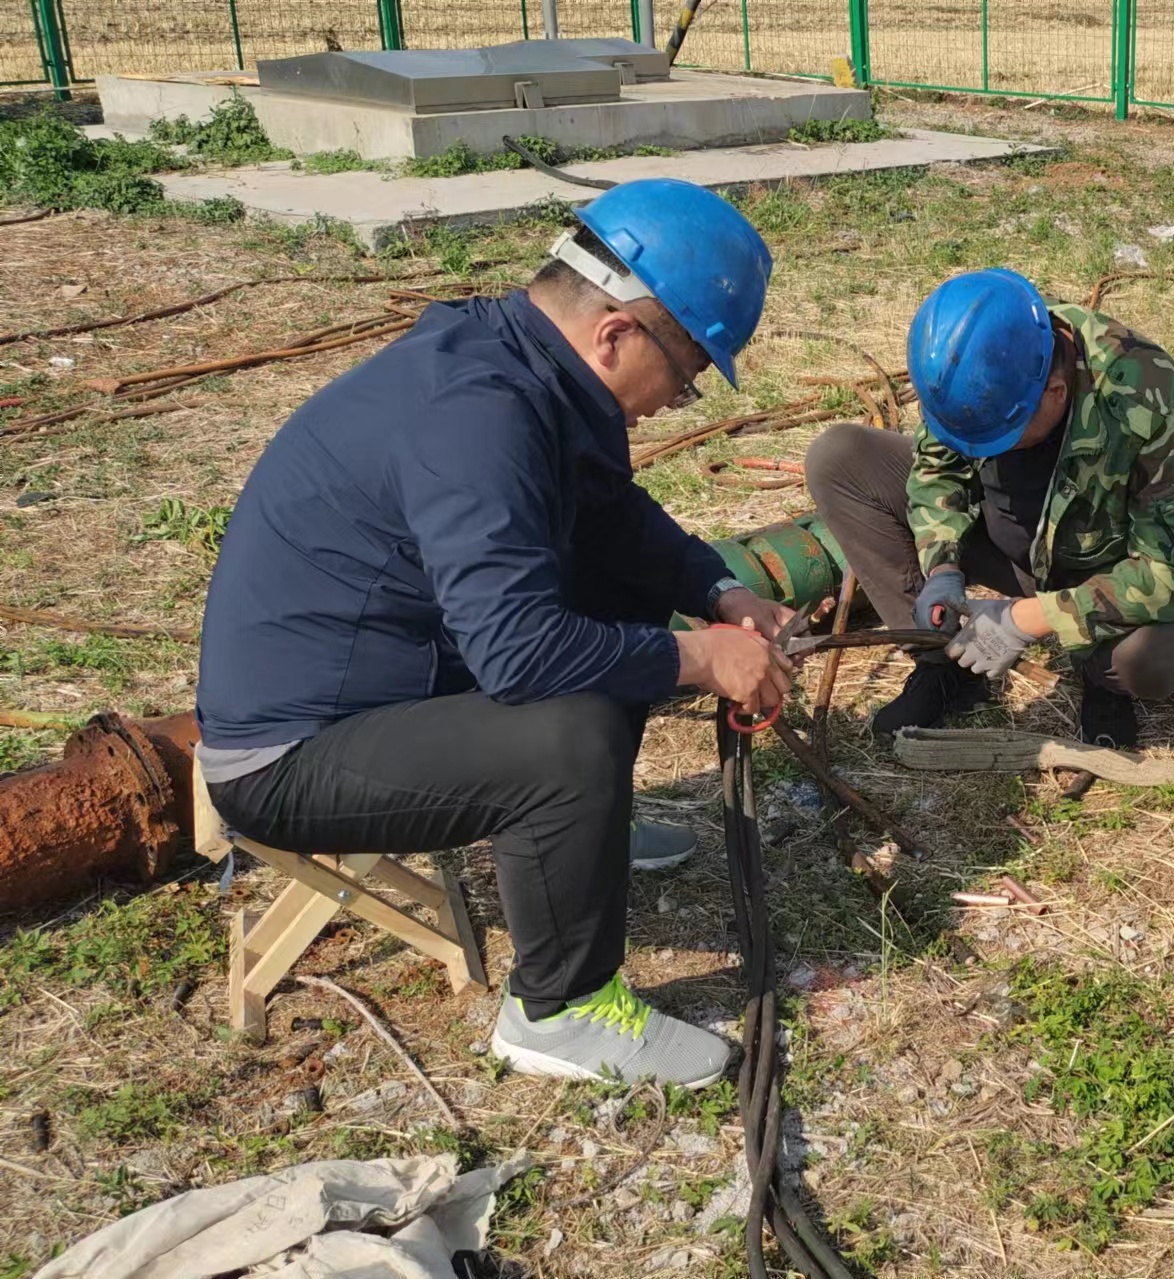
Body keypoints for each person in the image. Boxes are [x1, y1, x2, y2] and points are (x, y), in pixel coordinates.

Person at [195, 179, 795, 1088]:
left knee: (613, 592)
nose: (680, 399)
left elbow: (606, 516)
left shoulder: (516, 358)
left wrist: (717, 588)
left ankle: (577, 837)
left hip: (386, 686)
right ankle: (560, 1009)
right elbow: (517, 655)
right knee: (571, 727)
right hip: (288, 757)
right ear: (616, 333)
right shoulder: (480, 412)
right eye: (687, 372)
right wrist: (703, 657)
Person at [804, 267, 1174, 748]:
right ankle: (945, 662)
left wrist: (1027, 620)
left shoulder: (1145, 393)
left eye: (996, 439)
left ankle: (1097, 676)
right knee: (839, 458)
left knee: (1146, 662)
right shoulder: (971, 367)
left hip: (1104, 569)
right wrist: (943, 568)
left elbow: (1172, 573)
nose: (979, 452)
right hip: (1012, 554)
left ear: (1056, 394)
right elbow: (937, 472)